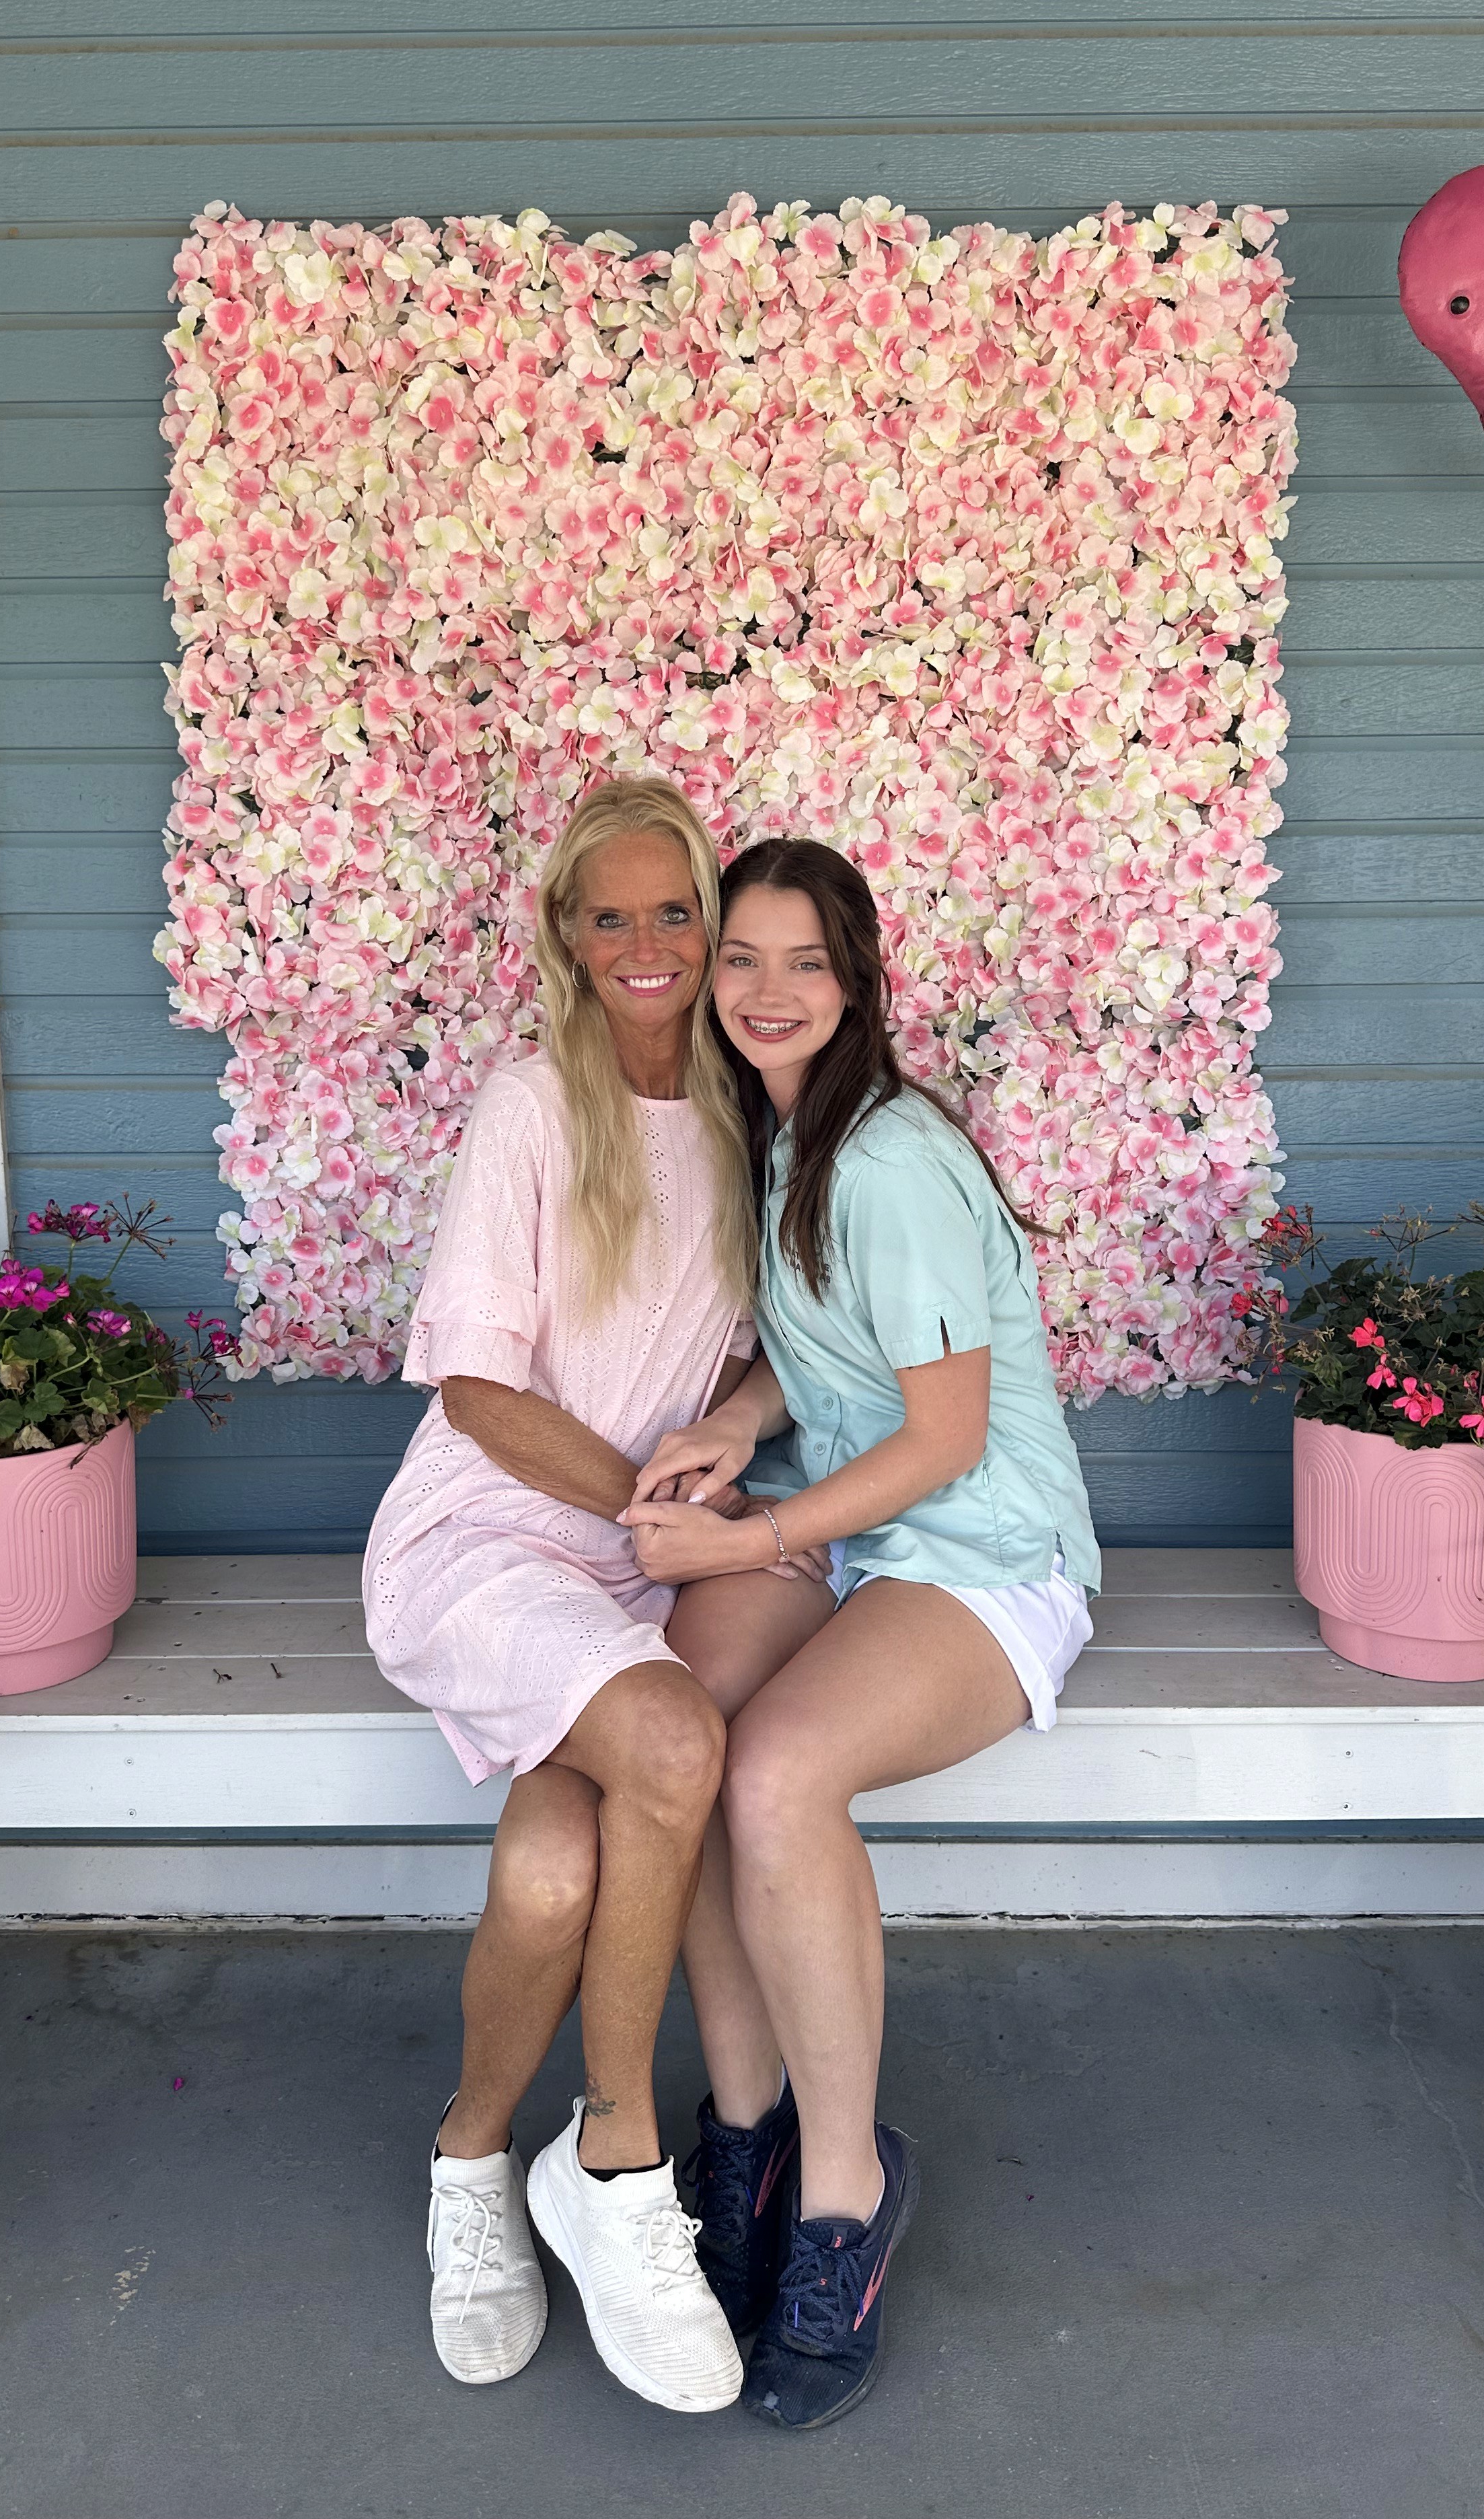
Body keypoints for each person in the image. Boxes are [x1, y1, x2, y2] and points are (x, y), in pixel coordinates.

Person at [620, 836, 1101, 2432]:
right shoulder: (779, 1132)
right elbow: (830, 1354)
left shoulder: (887, 1157)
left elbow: (945, 1436)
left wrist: (746, 1534)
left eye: (804, 964)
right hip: (852, 1525)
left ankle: (841, 2200)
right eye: (741, 958)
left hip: (982, 1549)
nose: (767, 991)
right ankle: (744, 2137)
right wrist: (732, 1421)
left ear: (857, 982)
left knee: (776, 1775)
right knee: (680, 1737)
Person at [363, 775, 785, 2415]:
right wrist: (648, 1510)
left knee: (551, 1880)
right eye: (611, 916)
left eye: (675, 911)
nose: (646, 944)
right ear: (566, 932)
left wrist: (728, 1445)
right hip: (486, 1538)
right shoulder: (531, 1106)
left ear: (711, 926)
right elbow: (476, 1390)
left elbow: (772, 1349)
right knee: (674, 1746)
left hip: (627, 1562)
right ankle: (619, 2162)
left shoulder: (750, 1113)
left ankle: (475, 2160)